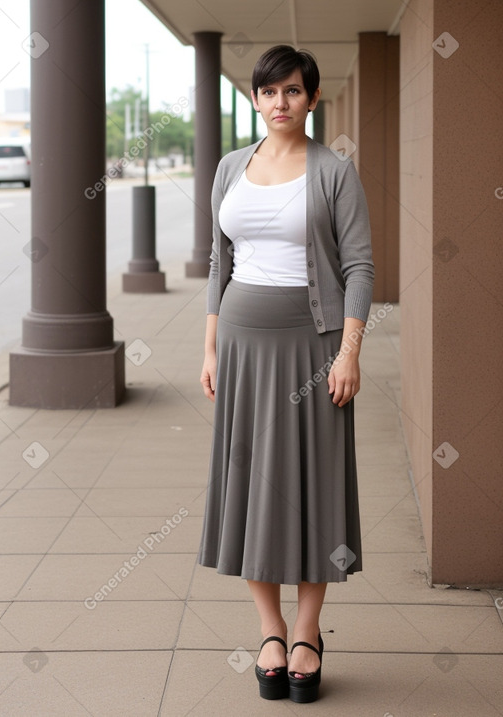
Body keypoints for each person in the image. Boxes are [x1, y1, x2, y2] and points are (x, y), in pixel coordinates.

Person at [198, 45, 374, 704]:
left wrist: (350, 351)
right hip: (242, 345)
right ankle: (270, 628)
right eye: (269, 92)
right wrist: (210, 348)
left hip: (313, 345)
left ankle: (308, 629)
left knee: (312, 484)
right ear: (254, 98)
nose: (280, 103)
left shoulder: (334, 171)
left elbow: (359, 266)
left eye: (293, 92)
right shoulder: (228, 170)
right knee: (248, 485)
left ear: (312, 100)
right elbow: (220, 262)